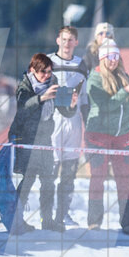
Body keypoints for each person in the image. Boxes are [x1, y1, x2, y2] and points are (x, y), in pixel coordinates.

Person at [10, 53, 77, 234]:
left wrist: (71, 104)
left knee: (48, 181)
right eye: (42, 72)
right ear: (33, 70)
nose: (46, 75)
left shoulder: (53, 82)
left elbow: (65, 111)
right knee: (28, 180)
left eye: (49, 71)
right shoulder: (25, 86)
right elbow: (22, 109)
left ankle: (46, 220)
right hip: (27, 138)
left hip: (45, 138)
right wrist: (42, 98)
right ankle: (14, 220)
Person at [85, 41, 129, 232]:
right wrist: (126, 91)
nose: (113, 61)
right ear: (102, 58)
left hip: (122, 136)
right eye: (109, 57)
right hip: (98, 135)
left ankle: (128, 223)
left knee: (125, 179)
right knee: (98, 178)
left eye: (116, 56)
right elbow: (105, 106)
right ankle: (94, 221)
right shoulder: (95, 78)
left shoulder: (123, 76)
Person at [48, 25, 90, 231]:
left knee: (69, 171)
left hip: (73, 123)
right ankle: (47, 215)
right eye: (64, 39)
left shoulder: (81, 65)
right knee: (51, 171)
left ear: (76, 42)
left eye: (71, 39)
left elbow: (86, 98)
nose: (67, 43)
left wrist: (88, 122)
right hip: (54, 121)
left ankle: (63, 214)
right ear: (58, 40)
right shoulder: (48, 62)